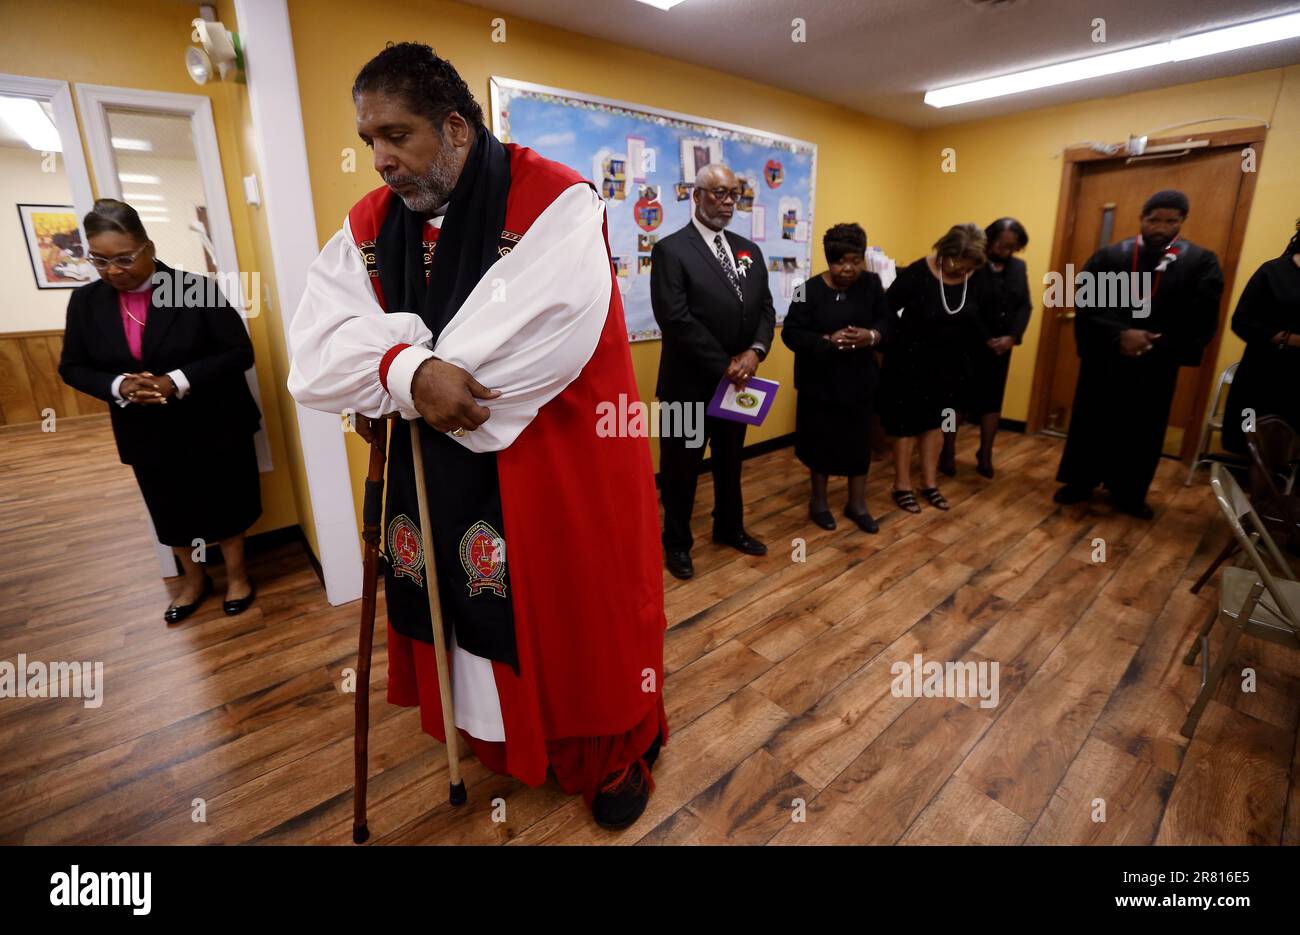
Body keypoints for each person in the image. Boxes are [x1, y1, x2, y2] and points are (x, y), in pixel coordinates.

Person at [287, 43, 666, 830]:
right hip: (435, 471)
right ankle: (498, 738)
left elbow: (497, 375)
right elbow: (316, 359)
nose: (381, 161)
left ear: (457, 128)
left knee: (577, 611)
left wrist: (389, 364)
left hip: (555, 461)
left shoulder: (556, 203)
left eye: (398, 136)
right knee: (455, 602)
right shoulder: (369, 225)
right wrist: (402, 371)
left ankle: (604, 750)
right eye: (369, 142)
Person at [58, 198, 262, 622]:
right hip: (145, 429)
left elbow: (239, 352)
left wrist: (176, 380)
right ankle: (193, 581)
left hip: (213, 420)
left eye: (123, 258)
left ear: (148, 248)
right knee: (170, 506)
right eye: (99, 260)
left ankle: (238, 577)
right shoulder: (87, 302)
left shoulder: (191, 288)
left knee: (226, 500)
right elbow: (73, 366)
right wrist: (119, 385)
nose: (112, 270)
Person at [1055, 190, 1224, 518]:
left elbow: (1202, 315)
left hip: (1156, 363)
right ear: (1142, 219)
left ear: (1181, 221)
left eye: (1170, 220)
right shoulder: (1111, 256)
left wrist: (1153, 341)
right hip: (1107, 357)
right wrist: (1121, 334)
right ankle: (1080, 482)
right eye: (1154, 219)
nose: (1161, 227)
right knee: (1093, 420)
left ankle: (1129, 492)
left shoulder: (1200, 262)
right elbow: (1088, 303)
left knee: (1143, 429)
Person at [650, 162, 776, 580]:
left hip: (738, 383)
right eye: (719, 193)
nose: (727, 202)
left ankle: (729, 528)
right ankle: (677, 543)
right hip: (688, 386)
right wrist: (726, 364)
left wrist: (755, 352)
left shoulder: (748, 249)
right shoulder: (672, 250)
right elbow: (676, 318)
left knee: (729, 461)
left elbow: (764, 308)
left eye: (734, 195)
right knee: (681, 470)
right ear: (696, 195)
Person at [781, 222, 892, 532]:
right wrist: (827, 341)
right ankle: (819, 502)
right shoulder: (807, 290)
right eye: (840, 261)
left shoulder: (871, 285)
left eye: (855, 261)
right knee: (821, 443)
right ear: (828, 260)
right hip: (820, 382)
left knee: (859, 443)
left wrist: (870, 336)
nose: (848, 269)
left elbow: (887, 323)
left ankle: (857, 504)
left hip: (859, 381)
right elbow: (791, 333)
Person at [878, 223, 988, 514]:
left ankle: (929, 483)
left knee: (938, 424)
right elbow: (886, 309)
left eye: (968, 267)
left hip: (950, 365)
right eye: (957, 264)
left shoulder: (975, 278)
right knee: (906, 425)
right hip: (909, 362)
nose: (961, 271)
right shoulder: (917, 273)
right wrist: (898, 338)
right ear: (944, 252)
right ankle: (901, 485)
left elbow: (980, 315)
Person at [940, 217, 1031, 479]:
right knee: (954, 402)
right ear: (989, 240)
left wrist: (1012, 337)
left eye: (1011, 246)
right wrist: (987, 338)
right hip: (968, 343)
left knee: (992, 403)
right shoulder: (974, 265)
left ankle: (986, 453)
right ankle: (947, 450)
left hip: (1002, 348)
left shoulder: (1018, 268)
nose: (1005, 250)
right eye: (1001, 244)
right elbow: (967, 304)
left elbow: (1025, 305)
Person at [1221, 218, 1300, 453]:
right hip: (1265, 373)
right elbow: (1241, 321)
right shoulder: (1274, 271)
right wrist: (1288, 338)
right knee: (1257, 443)